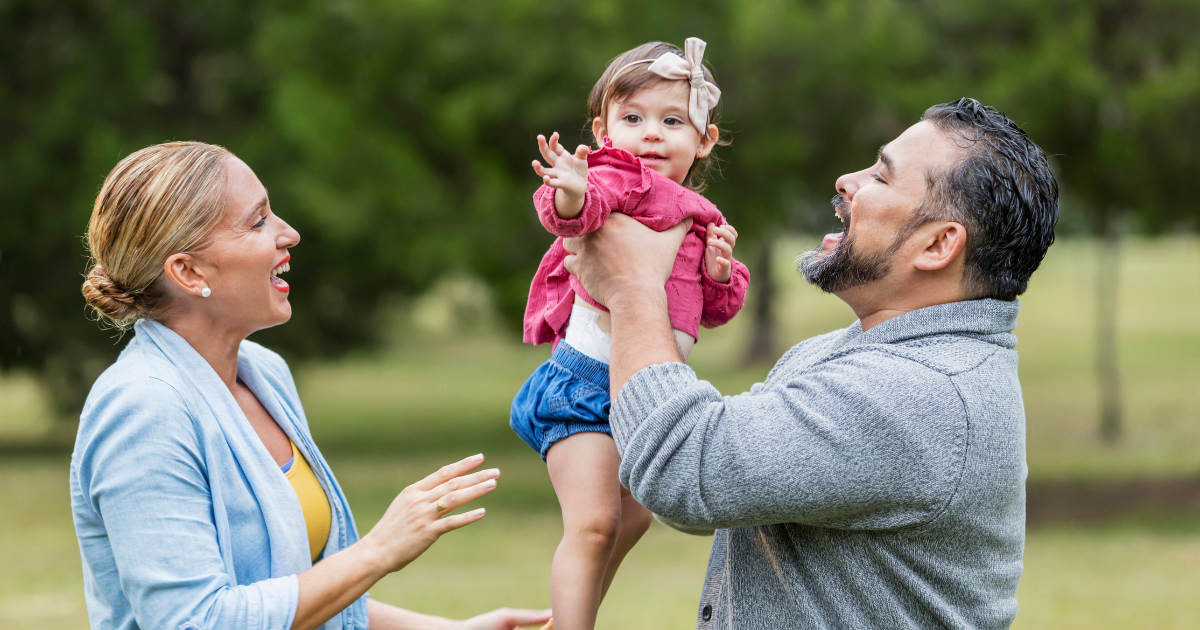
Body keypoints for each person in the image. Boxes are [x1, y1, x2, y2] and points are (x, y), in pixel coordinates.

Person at [560, 98, 1059, 629]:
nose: (848, 180)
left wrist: (632, 287)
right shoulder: (843, 354)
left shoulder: (916, 393)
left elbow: (682, 470)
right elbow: (711, 490)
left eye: (881, 178)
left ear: (938, 245)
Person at [71, 141, 553, 630]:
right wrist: (378, 551)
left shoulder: (264, 373)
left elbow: (299, 593)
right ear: (189, 272)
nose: (290, 234)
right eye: (258, 221)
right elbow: (196, 621)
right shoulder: (144, 410)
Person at [510, 39, 749, 630]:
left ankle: (569, 614)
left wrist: (720, 272)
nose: (651, 135)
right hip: (586, 386)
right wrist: (570, 187)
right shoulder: (621, 177)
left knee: (634, 517)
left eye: (672, 121)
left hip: (647, 391)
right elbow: (579, 210)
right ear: (604, 127)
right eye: (633, 118)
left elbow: (710, 311)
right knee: (594, 524)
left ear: (704, 139)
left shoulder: (699, 213)